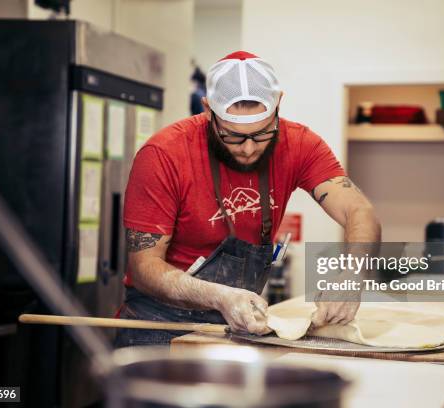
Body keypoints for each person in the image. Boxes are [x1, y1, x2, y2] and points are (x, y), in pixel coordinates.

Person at [115, 51, 380, 346]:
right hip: (156, 327)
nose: (249, 148)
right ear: (207, 109)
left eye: (263, 133)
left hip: (235, 329)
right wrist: (218, 296)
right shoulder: (164, 155)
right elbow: (144, 268)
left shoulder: (300, 144)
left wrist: (352, 274)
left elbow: (359, 210)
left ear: (278, 103)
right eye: (232, 136)